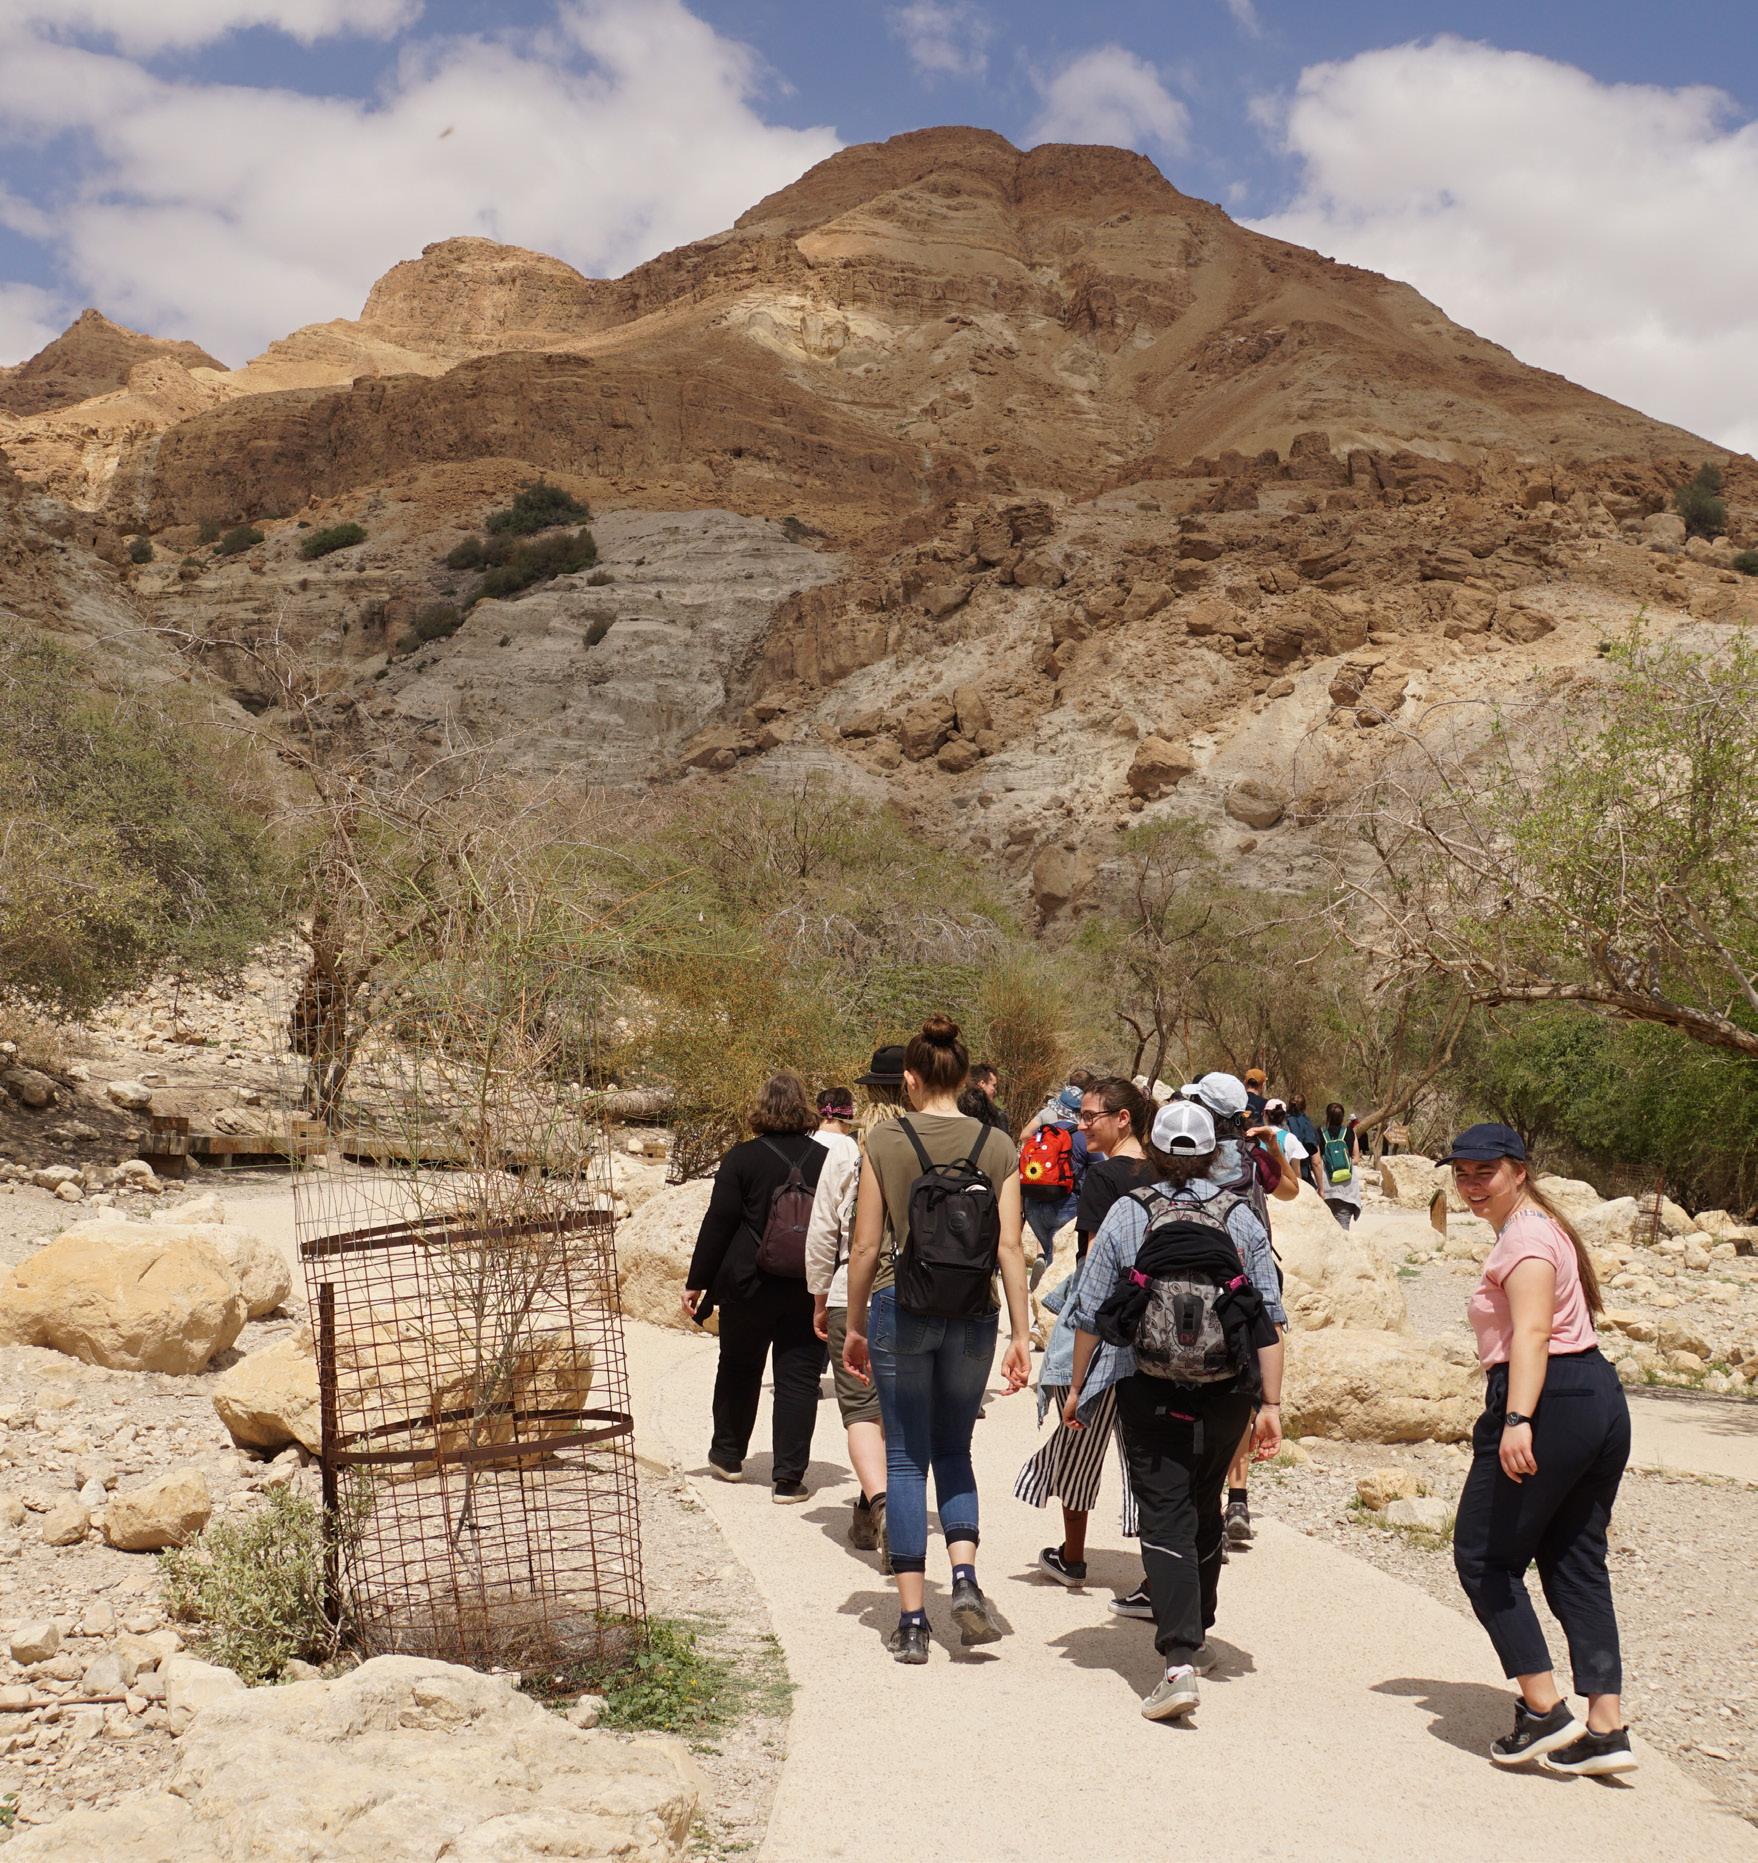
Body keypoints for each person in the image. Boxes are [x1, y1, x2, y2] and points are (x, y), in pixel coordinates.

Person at [1063, 1100, 1285, 1721]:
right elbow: (1268, 1317)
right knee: (1204, 1502)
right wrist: (1270, 1403)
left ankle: (1178, 1661)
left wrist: (1078, 1387)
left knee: (1164, 1514)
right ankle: (1200, 1631)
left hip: (1149, 1384)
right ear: (1214, 1153)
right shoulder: (1240, 1216)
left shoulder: (1129, 1212)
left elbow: (1091, 1311)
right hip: (1227, 1389)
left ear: (1154, 1152)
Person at [1445, 1122, 1636, 1776]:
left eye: (1485, 1172)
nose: (1471, 1184)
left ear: (1518, 1170)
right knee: (1575, 1557)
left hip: (1548, 1399)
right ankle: (1606, 1727)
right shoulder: (1542, 1228)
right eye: (1462, 1173)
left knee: (1484, 1556)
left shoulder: (1525, 1238)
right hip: (1594, 1396)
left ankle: (1544, 1710)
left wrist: (1518, 1418)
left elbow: (1531, 1334)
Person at [842, 1016, 1031, 1663]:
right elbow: (1010, 1247)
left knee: (903, 1459)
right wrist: (1022, 1333)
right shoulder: (997, 1144)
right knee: (955, 1449)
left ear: (911, 1078)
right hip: (975, 1313)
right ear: (965, 1076)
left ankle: (913, 1621)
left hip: (902, 1308)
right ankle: (966, 1578)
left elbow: (866, 1245)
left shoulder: (885, 1140)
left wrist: (856, 1325)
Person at [1015, 1077, 1155, 1586]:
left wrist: (1076, 1368)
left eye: (1091, 1116)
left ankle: (1073, 1558)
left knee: (1078, 1439)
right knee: (1147, 1455)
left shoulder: (1102, 1178)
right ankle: (1156, 1571)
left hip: (1107, 1329)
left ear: (1123, 1119)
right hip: (1154, 1331)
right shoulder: (1165, 1174)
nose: (1081, 1126)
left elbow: (1096, 1263)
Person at [684, 1072, 829, 1502]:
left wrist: (697, 1281)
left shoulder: (742, 1158)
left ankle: (728, 1456)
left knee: (739, 1366)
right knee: (798, 1378)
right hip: (808, 1284)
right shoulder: (826, 1159)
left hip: (747, 1282)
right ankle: (788, 1479)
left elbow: (719, 1222)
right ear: (804, 1107)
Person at [1175, 1071, 1294, 1555]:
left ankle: (1203, 1508)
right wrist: (1273, 1144)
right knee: (1241, 1393)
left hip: (1194, 1285)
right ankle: (1238, 1500)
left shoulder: (1189, 1159)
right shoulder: (1252, 1157)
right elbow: (1290, 1190)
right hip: (1248, 1284)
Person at [806, 1066, 893, 1559]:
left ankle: (880, 1505)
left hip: (850, 1289)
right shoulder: (937, 1145)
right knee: (894, 1409)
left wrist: (819, 1296)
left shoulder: (846, 1153)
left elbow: (823, 1229)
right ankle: (873, 1511)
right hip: (915, 1293)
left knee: (861, 1409)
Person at [1018, 1074, 1094, 1289]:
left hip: (1033, 1202)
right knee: (1059, 1257)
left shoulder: (1041, 1132)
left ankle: (1043, 1259)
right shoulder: (1082, 1137)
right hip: (1066, 1205)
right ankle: (1046, 1289)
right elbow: (1100, 1167)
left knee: (1048, 1246)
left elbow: (1024, 1136)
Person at [1317, 1101, 1363, 1231]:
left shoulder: (1319, 1133)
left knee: (1326, 1229)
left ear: (1327, 1116)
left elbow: (1317, 1160)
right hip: (1347, 1188)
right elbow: (1356, 1159)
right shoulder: (1349, 1132)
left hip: (1326, 1187)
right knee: (1343, 1228)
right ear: (1342, 1117)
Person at [1284, 1093, 1322, 1190]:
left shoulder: (1281, 1122)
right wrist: (1321, 1188)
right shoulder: (1307, 1124)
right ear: (1304, 1106)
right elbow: (1316, 1161)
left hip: (1283, 1176)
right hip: (1303, 1174)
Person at [971, 1061, 1010, 1134]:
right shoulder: (997, 1116)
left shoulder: (956, 1111)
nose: (995, 1091)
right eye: (993, 1085)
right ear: (982, 1083)